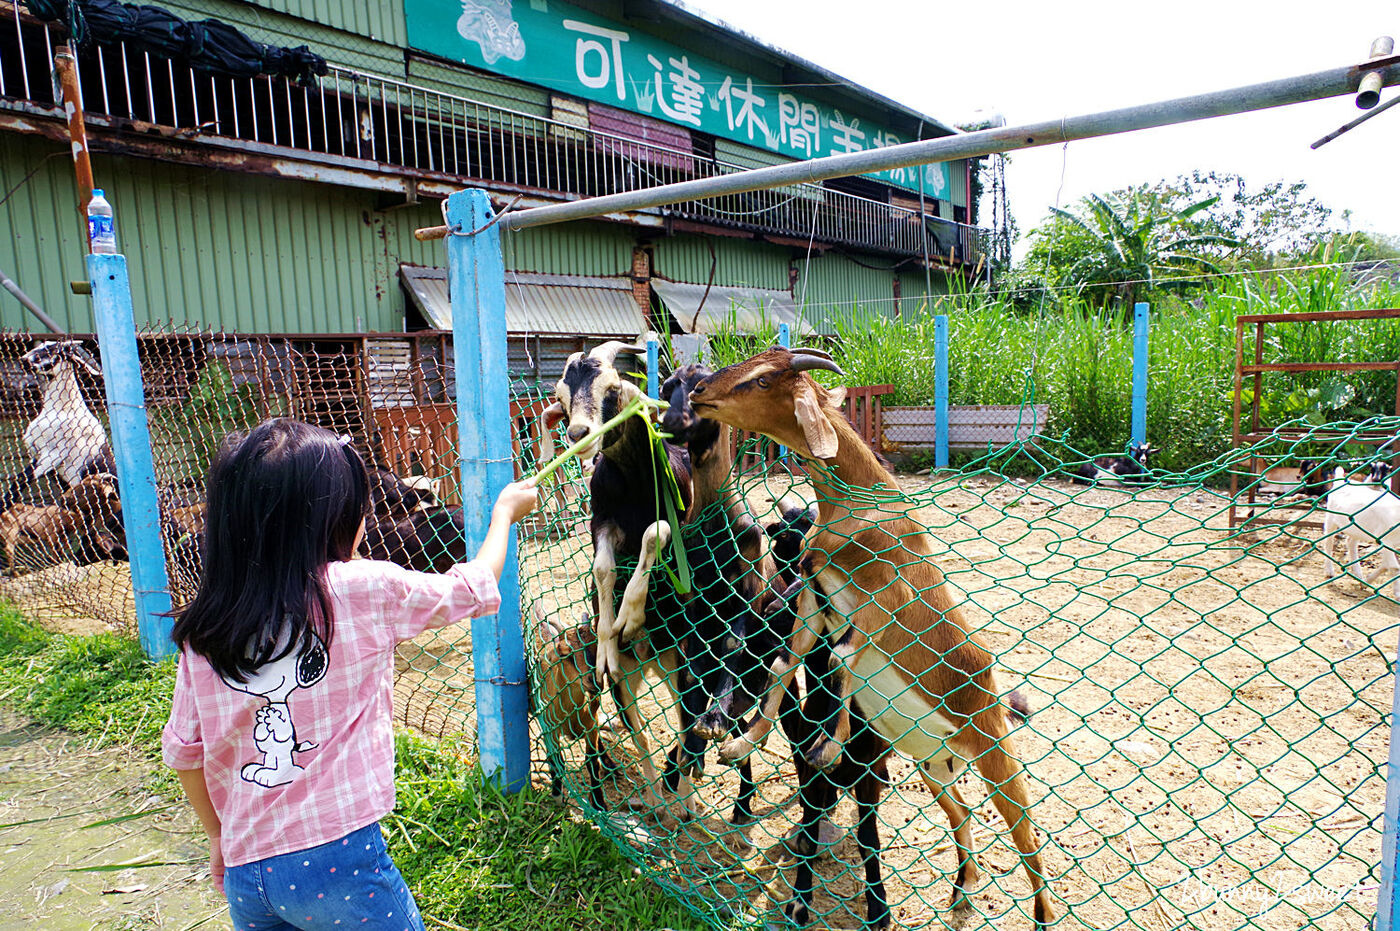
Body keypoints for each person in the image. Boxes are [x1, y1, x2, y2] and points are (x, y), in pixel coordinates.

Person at [161, 418, 537, 931]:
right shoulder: (360, 589)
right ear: (334, 519)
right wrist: (503, 516)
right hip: (338, 859)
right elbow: (470, 588)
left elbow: (186, 751)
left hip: (247, 870)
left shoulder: (207, 625)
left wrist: (216, 838)